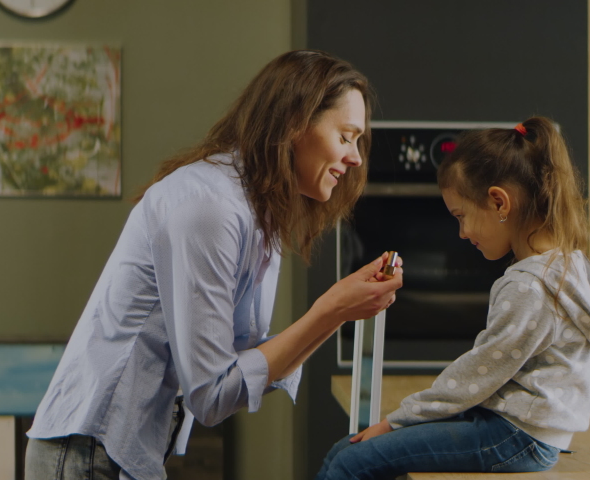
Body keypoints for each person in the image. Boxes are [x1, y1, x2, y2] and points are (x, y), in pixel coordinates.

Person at [24, 50, 404, 480]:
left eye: (358, 141)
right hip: (88, 452)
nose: (355, 157)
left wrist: (342, 310)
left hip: (115, 454)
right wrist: (332, 309)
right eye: (346, 136)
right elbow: (212, 394)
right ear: (295, 124)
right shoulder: (210, 209)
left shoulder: (259, 214)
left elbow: (239, 360)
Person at [315, 117, 590, 479]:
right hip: (524, 431)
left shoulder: (529, 287)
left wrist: (396, 421)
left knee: (349, 461)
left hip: (514, 436)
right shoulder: (565, 265)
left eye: (461, 216)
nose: (463, 233)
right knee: (347, 452)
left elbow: (476, 375)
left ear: (500, 202)